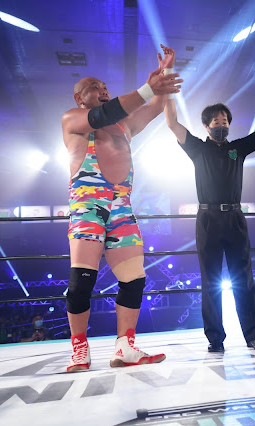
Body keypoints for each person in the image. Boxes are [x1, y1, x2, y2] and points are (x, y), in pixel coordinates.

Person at [62, 44, 182, 371]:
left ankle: (125, 346)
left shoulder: (124, 126)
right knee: (81, 280)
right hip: (88, 204)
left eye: (105, 87)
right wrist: (147, 88)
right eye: (94, 87)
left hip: (121, 206)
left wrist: (166, 73)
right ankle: (79, 348)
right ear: (79, 98)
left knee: (134, 278)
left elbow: (156, 104)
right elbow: (103, 114)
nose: (102, 90)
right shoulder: (73, 119)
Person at [164, 51, 255, 352]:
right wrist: (168, 82)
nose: (221, 124)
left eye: (225, 120)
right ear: (207, 126)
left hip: (235, 217)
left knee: (244, 278)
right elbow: (172, 122)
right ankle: (215, 339)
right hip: (208, 219)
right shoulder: (197, 148)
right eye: (216, 121)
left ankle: (253, 335)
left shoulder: (238, 147)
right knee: (210, 280)